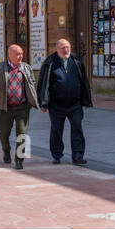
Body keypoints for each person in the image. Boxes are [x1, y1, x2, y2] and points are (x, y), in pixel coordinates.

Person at [0, 44, 38, 169]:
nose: (20, 56)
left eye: (21, 53)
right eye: (17, 54)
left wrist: (36, 102)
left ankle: (19, 159)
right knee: (4, 134)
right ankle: (6, 151)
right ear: (10, 55)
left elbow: (32, 85)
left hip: (22, 107)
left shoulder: (26, 67)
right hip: (5, 107)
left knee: (22, 134)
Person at [38, 38, 93, 166]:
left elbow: (83, 80)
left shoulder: (76, 60)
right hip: (56, 105)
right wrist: (43, 103)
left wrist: (86, 100)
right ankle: (57, 155)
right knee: (57, 130)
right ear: (57, 49)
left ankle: (78, 156)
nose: (66, 50)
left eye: (68, 47)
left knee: (77, 128)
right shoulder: (49, 63)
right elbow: (43, 84)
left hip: (75, 104)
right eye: (63, 47)